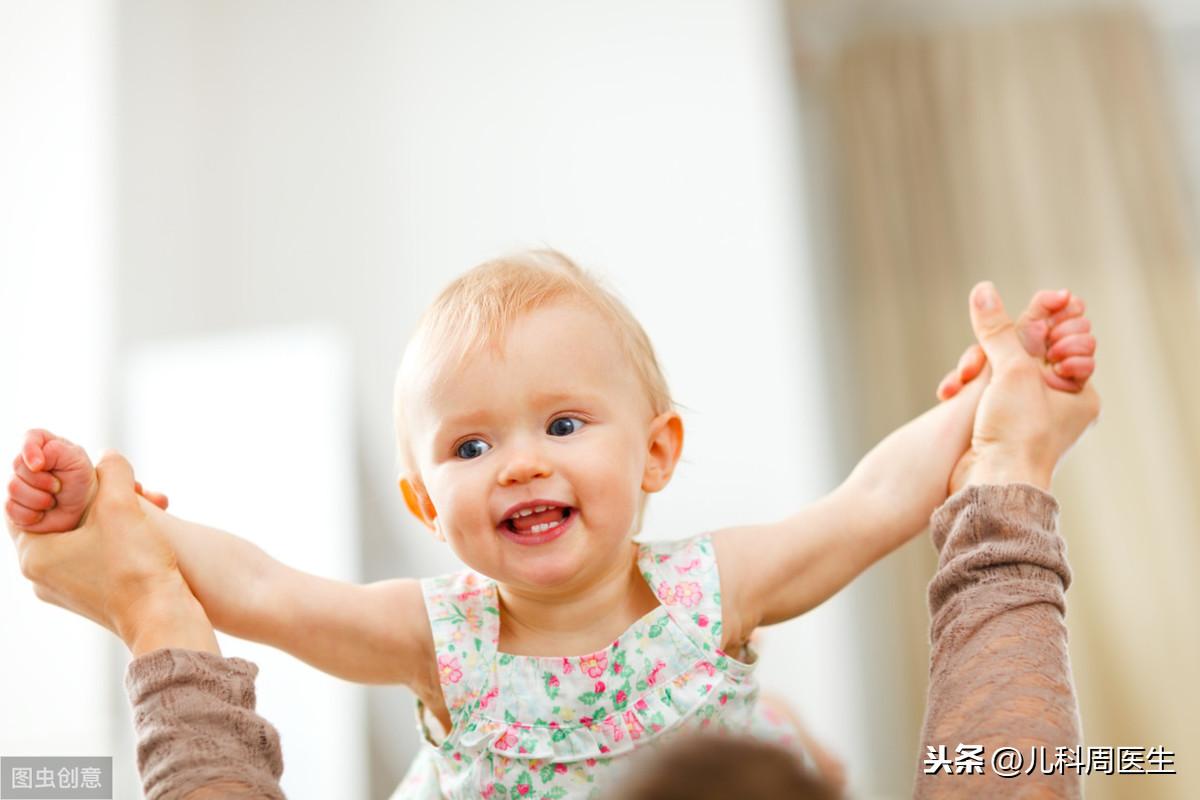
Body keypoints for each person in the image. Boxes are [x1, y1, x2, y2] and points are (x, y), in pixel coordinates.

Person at [6, 256, 1096, 798]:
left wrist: (987, 400)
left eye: (564, 422)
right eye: (469, 447)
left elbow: (864, 506)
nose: (520, 459)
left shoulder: (710, 586)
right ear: (427, 506)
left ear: (657, 451)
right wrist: (123, 524)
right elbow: (270, 590)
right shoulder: (442, 635)